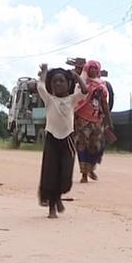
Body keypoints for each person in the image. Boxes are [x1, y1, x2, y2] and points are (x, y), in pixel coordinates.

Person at [35, 63, 86, 218]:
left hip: (68, 140)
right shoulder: (49, 100)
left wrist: (77, 77)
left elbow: (85, 91)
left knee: (65, 175)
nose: (58, 84)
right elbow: (40, 86)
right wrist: (44, 72)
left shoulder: (72, 99)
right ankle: (52, 206)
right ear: (51, 85)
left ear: (68, 84)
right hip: (52, 139)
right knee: (50, 173)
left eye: (61, 81)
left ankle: (58, 197)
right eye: (55, 81)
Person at [73, 59, 112, 183]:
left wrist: (109, 121)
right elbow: (75, 101)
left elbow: (104, 104)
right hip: (82, 120)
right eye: (90, 68)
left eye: (95, 68)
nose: (93, 70)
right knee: (82, 146)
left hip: (96, 121)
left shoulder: (102, 86)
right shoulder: (81, 85)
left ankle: (91, 167)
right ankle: (84, 174)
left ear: (98, 70)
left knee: (97, 146)